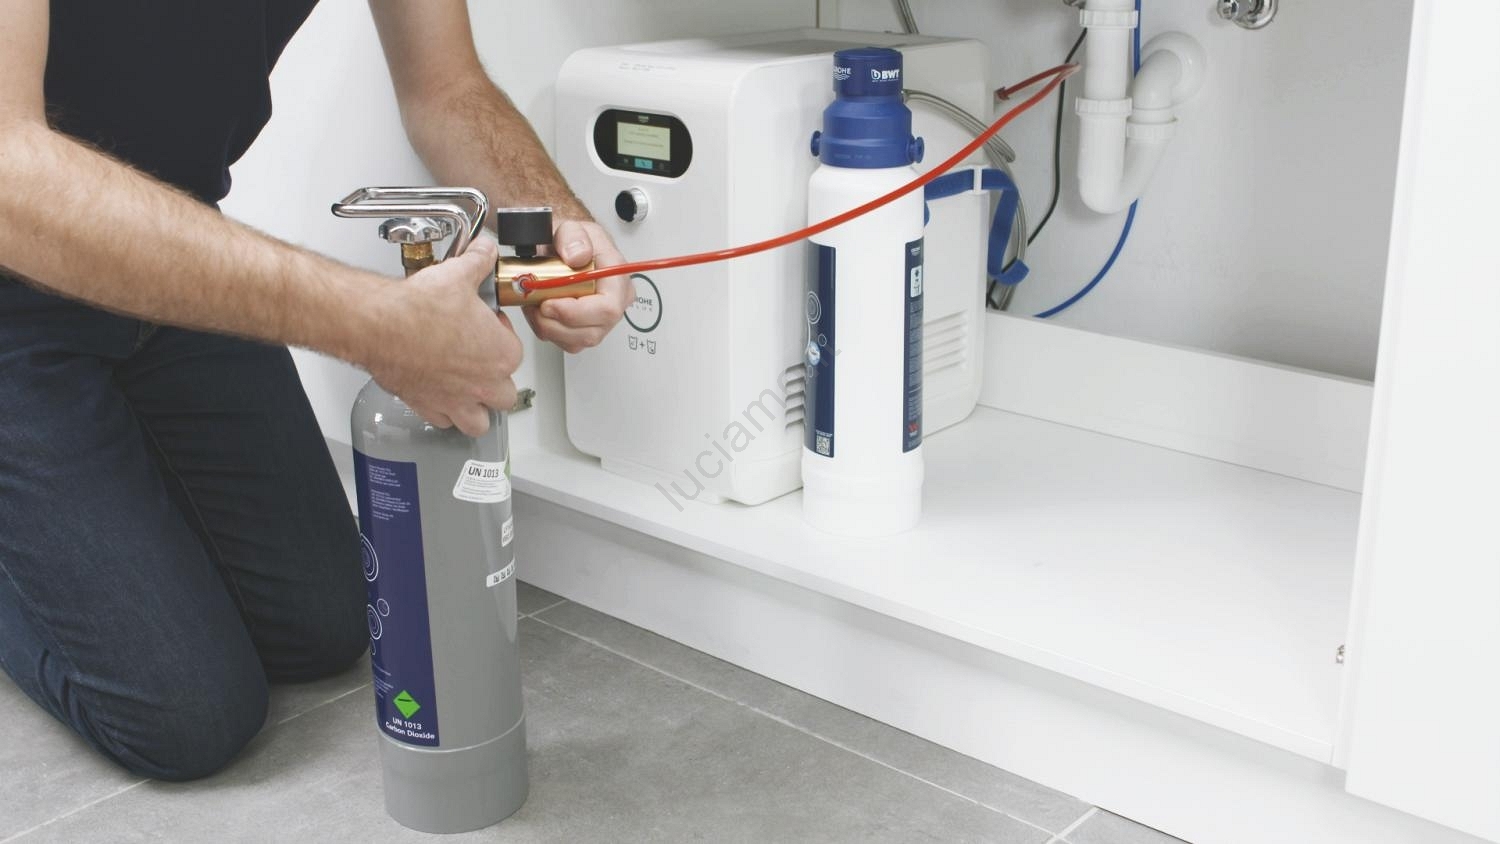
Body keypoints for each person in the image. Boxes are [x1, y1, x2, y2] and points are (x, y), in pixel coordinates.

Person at [0, 0, 629, 780]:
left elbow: (447, 87)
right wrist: (376, 326)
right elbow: (10, 169)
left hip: (161, 250)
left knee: (322, 627)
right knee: (187, 717)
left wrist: (558, 228)